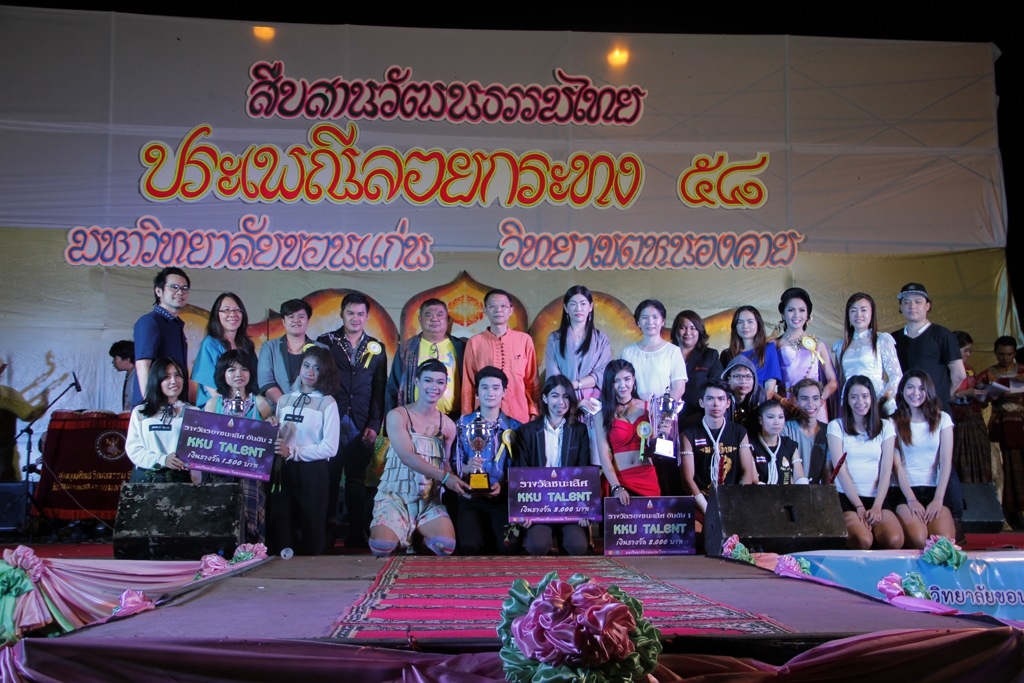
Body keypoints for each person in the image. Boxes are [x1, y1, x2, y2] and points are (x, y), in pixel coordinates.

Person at [369, 359, 471, 557]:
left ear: (445, 385)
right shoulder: (397, 416)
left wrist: (462, 475)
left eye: (440, 382)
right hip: (395, 498)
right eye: (428, 380)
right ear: (416, 382)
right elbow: (407, 456)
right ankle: (402, 533)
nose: (434, 387)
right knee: (381, 547)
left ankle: (418, 534)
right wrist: (445, 477)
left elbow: (445, 465)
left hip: (427, 501)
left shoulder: (448, 425)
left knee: (445, 547)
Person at [890, 283, 966, 538]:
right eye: (907, 302)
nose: (912, 306)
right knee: (900, 460)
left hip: (936, 413)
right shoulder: (893, 339)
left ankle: (954, 517)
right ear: (900, 307)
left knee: (944, 463)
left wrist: (937, 400)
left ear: (928, 306)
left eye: (918, 301)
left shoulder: (942, 335)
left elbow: (958, 374)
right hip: (904, 414)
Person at [317, 291, 388, 549]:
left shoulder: (376, 348)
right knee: (329, 478)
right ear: (342, 314)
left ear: (367, 316)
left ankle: (357, 534)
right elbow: (316, 382)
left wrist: (374, 424)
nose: (355, 318)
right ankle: (325, 532)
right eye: (350, 313)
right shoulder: (325, 342)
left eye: (360, 313)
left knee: (357, 480)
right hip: (330, 419)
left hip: (361, 421)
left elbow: (379, 388)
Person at [268, 346, 342, 556]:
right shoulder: (284, 400)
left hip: (313, 473)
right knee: (281, 545)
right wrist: (272, 428)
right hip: (283, 471)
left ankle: (331, 531)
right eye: (306, 365)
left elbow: (330, 448)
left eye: (317, 368)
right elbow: (281, 437)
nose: (310, 372)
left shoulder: (328, 403)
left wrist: (293, 451)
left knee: (312, 548)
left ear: (325, 372)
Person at [514, 375, 592, 556]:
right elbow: (521, 473)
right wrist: (524, 510)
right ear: (545, 398)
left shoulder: (579, 431)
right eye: (555, 396)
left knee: (577, 547)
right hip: (538, 504)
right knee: (537, 546)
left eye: (566, 396)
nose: (561, 402)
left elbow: (584, 471)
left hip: (570, 503)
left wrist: (584, 509)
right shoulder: (527, 431)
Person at [204, 349, 274, 543]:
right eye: (231, 370)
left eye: (244, 369)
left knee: (250, 499)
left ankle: (251, 547)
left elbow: (269, 439)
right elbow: (204, 442)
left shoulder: (260, 403)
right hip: (220, 472)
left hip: (251, 473)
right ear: (222, 373)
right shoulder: (213, 404)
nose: (238, 374)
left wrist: (273, 424)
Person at [827, 375, 904, 550]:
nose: (860, 402)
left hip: (876, 497)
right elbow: (840, 470)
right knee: (862, 540)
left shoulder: (886, 427)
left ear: (872, 398)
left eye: (864, 396)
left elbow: (886, 470)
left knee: (894, 540)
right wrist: (859, 506)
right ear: (847, 400)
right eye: (854, 397)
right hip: (846, 498)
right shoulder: (836, 426)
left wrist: (877, 506)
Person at [453, 366, 521, 555]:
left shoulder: (516, 428)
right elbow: (451, 462)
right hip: (470, 497)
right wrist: (465, 468)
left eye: (496, 388)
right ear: (477, 392)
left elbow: (521, 469)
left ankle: (491, 535)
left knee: (509, 547)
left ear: (504, 392)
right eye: (484, 387)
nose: (490, 392)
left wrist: (504, 486)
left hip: (503, 499)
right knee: (469, 547)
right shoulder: (462, 424)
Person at [891, 371, 956, 546]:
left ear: (929, 391)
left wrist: (938, 499)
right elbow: (896, 466)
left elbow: (946, 461)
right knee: (918, 539)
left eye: (921, 388)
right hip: (905, 491)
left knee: (943, 542)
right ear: (902, 390)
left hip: (934, 490)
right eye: (910, 387)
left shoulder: (942, 419)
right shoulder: (893, 422)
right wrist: (912, 500)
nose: (916, 393)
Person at [461, 289, 538, 424]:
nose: (498, 310)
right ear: (485, 311)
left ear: (511, 310)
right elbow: (468, 385)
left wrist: (534, 412)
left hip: (519, 416)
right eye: (493, 306)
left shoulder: (524, 340)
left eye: (503, 306)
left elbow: (532, 382)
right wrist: (466, 418)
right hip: (483, 419)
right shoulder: (474, 343)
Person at [680, 379, 756, 516]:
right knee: (697, 528)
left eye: (721, 399)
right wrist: (707, 509)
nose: (716, 404)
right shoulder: (689, 434)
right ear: (701, 402)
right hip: (701, 501)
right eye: (710, 399)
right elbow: (687, 479)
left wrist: (734, 504)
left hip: (732, 501)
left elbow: (747, 472)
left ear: (728, 403)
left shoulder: (739, 432)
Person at [591, 360, 661, 501]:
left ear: (633, 380)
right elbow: (604, 455)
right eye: (616, 381)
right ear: (610, 384)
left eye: (627, 379)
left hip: (647, 478)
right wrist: (616, 487)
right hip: (619, 480)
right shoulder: (601, 415)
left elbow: (656, 446)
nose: (623, 385)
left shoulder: (649, 408)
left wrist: (664, 432)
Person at [387, 298, 466, 419]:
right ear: (420, 320)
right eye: (428, 315)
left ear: (447, 319)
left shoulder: (461, 347)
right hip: (413, 418)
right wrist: (391, 420)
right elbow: (393, 386)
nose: (434, 319)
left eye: (439, 315)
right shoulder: (407, 349)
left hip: (454, 418)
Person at [978, 336, 1024, 526]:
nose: (1005, 358)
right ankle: (1009, 514)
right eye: (1001, 354)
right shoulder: (987, 374)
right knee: (1004, 468)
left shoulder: (1022, 371)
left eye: (1009, 354)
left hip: (1020, 423)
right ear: (995, 353)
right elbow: (980, 401)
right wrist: (988, 393)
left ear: (1015, 353)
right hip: (1000, 425)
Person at [831, 293, 902, 416]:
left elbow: (896, 376)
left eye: (863, 310)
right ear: (848, 316)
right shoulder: (841, 345)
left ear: (872, 313)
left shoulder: (881, 339)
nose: (858, 315)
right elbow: (840, 379)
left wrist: (883, 399)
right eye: (853, 310)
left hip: (877, 401)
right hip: (851, 402)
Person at [124, 357, 191, 483]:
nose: (174, 381)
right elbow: (134, 450)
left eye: (177, 375)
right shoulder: (141, 411)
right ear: (156, 379)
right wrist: (163, 460)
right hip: (145, 478)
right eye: (166, 377)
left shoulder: (193, 412)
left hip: (179, 479)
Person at [775, 288, 838, 418]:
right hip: (787, 406)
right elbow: (766, 386)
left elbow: (833, 381)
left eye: (802, 310)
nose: (796, 315)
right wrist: (783, 402)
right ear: (783, 314)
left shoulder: (818, 344)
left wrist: (818, 399)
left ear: (808, 314)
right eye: (791, 310)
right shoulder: (774, 345)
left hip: (815, 409)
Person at [132, 267, 190, 406]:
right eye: (174, 287)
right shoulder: (149, 322)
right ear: (159, 291)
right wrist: (151, 405)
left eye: (184, 288)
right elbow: (142, 366)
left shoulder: (176, 324)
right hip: (155, 406)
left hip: (174, 404)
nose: (180, 292)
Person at [544, 286, 611, 403]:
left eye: (583, 304)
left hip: (593, 402)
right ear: (566, 308)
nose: (578, 308)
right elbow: (553, 375)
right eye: (573, 304)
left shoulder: (601, 339)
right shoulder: (555, 339)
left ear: (591, 307)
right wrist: (569, 392)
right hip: (564, 400)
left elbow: (602, 374)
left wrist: (575, 384)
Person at [192, 292, 258, 408]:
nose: (233, 314)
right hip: (216, 408)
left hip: (245, 407)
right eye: (226, 310)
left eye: (237, 310)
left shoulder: (247, 346)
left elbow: (254, 381)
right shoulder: (210, 344)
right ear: (217, 315)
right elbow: (211, 387)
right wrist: (233, 409)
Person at [258, 299, 325, 408]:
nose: (296, 320)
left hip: (311, 410)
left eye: (301, 316)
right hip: (277, 411)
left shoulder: (322, 349)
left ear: (308, 320)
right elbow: (266, 381)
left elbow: (326, 382)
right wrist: (287, 406)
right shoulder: (269, 347)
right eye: (291, 316)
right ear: (283, 321)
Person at [619, 299, 686, 401]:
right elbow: (622, 384)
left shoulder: (673, 351)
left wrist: (661, 408)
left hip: (664, 409)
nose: (650, 322)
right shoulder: (628, 352)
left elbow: (679, 389)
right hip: (634, 408)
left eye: (655, 317)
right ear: (638, 322)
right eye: (645, 317)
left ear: (662, 321)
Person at [950, 331, 992, 484]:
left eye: (970, 351)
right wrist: (965, 393)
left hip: (973, 417)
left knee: (980, 455)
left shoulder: (969, 369)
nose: (968, 354)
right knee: (960, 456)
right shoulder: (945, 369)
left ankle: (981, 491)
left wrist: (985, 395)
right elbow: (942, 397)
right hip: (957, 418)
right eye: (965, 350)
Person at [672, 310, 723, 429]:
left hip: (699, 419)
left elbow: (717, 388)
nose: (688, 332)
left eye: (693, 328)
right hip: (668, 418)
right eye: (683, 327)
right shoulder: (666, 354)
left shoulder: (710, 356)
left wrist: (699, 414)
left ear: (699, 331)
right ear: (675, 330)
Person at [720, 306, 782, 399]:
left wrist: (758, 406)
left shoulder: (768, 349)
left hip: (760, 404)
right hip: (733, 404)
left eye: (750, 321)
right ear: (735, 326)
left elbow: (769, 390)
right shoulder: (727, 354)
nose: (745, 326)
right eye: (740, 322)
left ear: (758, 324)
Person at [781, 379, 830, 484]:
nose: (810, 404)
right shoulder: (785, 429)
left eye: (815, 398)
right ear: (795, 401)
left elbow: (828, 472)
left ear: (821, 402)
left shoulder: (829, 432)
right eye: (804, 399)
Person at [751, 399, 808, 485]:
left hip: (787, 493)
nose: (777, 422)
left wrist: (803, 487)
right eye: (770, 417)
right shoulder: (751, 445)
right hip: (760, 493)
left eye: (780, 417)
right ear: (760, 420)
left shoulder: (789, 444)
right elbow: (754, 481)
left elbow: (799, 477)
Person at [722, 355, 765, 434]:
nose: (743, 381)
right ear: (728, 379)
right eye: (737, 376)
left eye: (748, 376)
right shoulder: (720, 397)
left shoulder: (760, 394)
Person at [109, 340, 136, 412]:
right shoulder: (130, 376)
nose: (113, 362)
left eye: (115, 358)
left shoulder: (137, 378)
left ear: (127, 359)